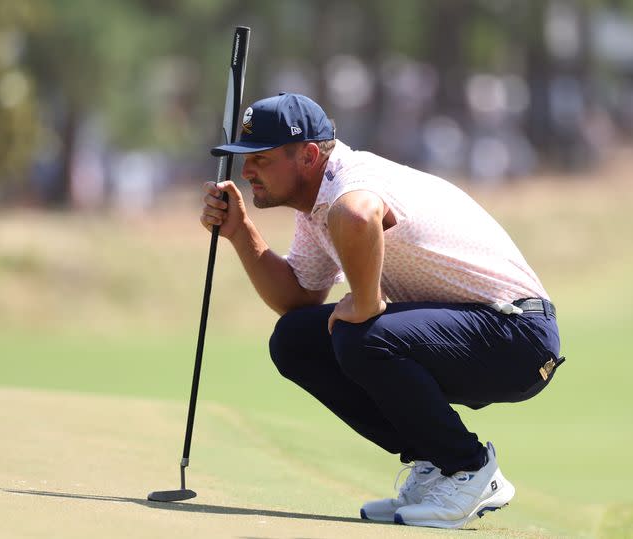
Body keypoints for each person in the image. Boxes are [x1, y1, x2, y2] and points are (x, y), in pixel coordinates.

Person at [199, 93, 564, 530]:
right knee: (295, 339)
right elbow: (297, 300)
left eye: (261, 158)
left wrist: (367, 302)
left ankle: (469, 468)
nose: (248, 171)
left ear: (309, 155)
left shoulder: (352, 180)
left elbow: (356, 216)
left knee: (362, 335)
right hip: (474, 331)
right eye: (246, 159)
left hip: (519, 335)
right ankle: (435, 462)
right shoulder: (315, 208)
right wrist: (241, 233)